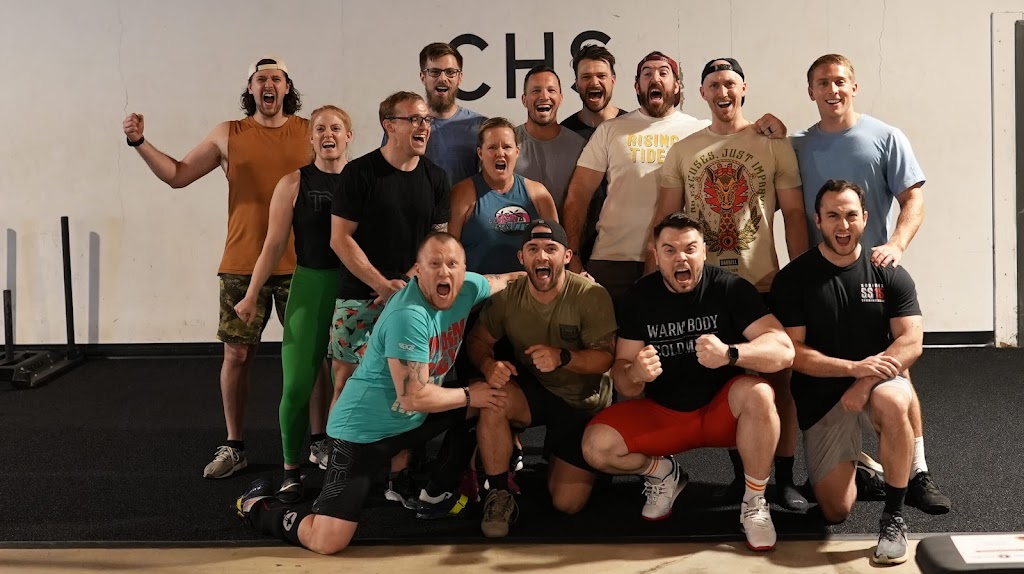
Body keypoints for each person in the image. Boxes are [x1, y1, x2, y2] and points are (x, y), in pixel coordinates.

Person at [236, 233, 521, 555]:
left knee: (492, 401)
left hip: (413, 420)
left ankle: (437, 492)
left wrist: (559, 277)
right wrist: (470, 395)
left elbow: (504, 280)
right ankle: (257, 504)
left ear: (464, 269)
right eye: (434, 264)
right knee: (327, 540)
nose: (445, 271)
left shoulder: (468, 287)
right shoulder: (409, 315)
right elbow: (413, 397)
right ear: (418, 271)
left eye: (453, 264)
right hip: (363, 433)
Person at [122, 56, 311, 479]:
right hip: (242, 263)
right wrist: (139, 142)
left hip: (302, 263)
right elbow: (177, 175)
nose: (268, 84)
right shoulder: (229, 134)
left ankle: (319, 443)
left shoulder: (309, 131)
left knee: (311, 356)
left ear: (287, 88)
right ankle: (235, 445)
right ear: (251, 88)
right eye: (260, 78)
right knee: (237, 354)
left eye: (276, 78)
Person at [791, 54, 950, 514]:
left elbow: (913, 198)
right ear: (811, 91)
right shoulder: (797, 144)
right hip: (820, 280)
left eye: (840, 81)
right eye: (823, 83)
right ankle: (844, 464)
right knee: (814, 370)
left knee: (896, 370)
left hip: (871, 274)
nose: (833, 90)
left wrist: (896, 244)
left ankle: (917, 472)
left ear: (854, 87)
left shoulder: (886, 137)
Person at [582, 213, 793, 552]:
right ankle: (663, 473)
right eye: (670, 250)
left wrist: (731, 353)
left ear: (704, 252)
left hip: (722, 414)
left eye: (690, 249)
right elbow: (624, 383)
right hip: (666, 415)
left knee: (759, 393)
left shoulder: (730, 288)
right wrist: (635, 372)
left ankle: (754, 501)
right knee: (596, 446)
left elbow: (784, 351)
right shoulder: (639, 297)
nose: (681, 258)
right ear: (656, 255)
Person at [653, 58, 808, 510]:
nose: (723, 92)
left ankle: (784, 479)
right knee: (729, 382)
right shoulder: (683, 150)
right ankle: (745, 478)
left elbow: (794, 213)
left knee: (778, 381)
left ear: (744, 89)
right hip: (711, 287)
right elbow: (665, 220)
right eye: (714, 85)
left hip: (763, 281)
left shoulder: (773, 143)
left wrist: (800, 275)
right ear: (702, 93)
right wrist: (654, 277)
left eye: (730, 84)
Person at [771, 180, 923, 565]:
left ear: (865, 218)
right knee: (835, 510)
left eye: (851, 215)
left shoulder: (886, 271)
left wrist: (865, 380)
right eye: (833, 216)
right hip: (823, 395)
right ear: (818, 220)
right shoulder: (795, 278)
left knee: (894, 400)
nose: (843, 225)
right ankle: (863, 467)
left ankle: (894, 517)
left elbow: (911, 342)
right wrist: (852, 369)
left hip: (876, 380)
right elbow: (794, 353)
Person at [562, 52, 787, 302]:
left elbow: (748, 167)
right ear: (636, 86)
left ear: (677, 86)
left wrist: (769, 127)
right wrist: (573, 257)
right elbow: (578, 195)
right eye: (647, 73)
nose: (655, 78)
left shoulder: (701, 131)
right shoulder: (610, 130)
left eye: (663, 73)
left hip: (677, 261)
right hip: (612, 259)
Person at [329, 91, 451, 509]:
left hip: (413, 302)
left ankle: (399, 475)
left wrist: (412, 281)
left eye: (427, 120)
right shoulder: (359, 173)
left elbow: (437, 243)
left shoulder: (436, 177)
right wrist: (382, 285)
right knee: (347, 382)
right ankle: (341, 472)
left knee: (408, 387)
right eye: (413, 119)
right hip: (360, 298)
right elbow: (340, 239)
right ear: (389, 125)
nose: (423, 127)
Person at [462, 220, 616, 538]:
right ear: (522, 257)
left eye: (550, 249)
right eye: (533, 249)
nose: (541, 256)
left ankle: (573, 456)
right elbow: (478, 340)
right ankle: (499, 492)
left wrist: (564, 357)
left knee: (567, 503)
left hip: (582, 403)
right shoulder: (508, 296)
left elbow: (606, 359)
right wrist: (489, 364)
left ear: (567, 256)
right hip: (537, 390)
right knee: (492, 396)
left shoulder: (591, 295)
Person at [232, 105, 353, 501]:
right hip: (311, 287)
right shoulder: (293, 183)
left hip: (354, 290)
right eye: (320, 129)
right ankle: (290, 469)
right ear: (311, 137)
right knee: (298, 384)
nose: (328, 134)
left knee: (350, 384)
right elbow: (273, 245)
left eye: (336, 128)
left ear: (349, 135)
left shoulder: (362, 180)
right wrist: (251, 293)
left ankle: (345, 467)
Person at [449, 117, 559, 274]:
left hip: (528, 287)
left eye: (507, 147)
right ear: (480, 153)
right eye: (492, 147)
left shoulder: (538, 194)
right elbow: (447, 254)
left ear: (517, 152)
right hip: (480, 287)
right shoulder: (462, 194)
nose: (500, 153)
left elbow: (555, 251)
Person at [560, 45, 628, 266]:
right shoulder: (564, 133)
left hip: (626, 251)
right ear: (576, 84)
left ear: (613, 80)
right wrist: (573, 255)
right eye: (586, 77)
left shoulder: (633, 128)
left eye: (601, 76)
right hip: (579, 251)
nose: (594, 82)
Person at [513, 66, 587, 213]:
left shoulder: (580, 147)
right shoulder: (507, 144)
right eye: (536, 91)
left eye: (551, 90)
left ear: (561, 98)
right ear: (524, 100)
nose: (544, 96)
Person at [418, 42, 488, 185]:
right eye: (434, 72)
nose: (443, 78)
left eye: (450, 72)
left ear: (459, 78)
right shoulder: (404, 124)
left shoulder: (480, 126)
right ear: (423, 77)